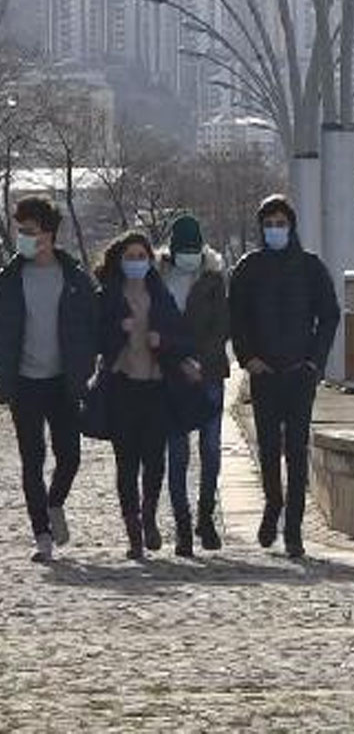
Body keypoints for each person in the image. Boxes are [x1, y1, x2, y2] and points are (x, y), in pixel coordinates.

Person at [230, 195, 340, 559]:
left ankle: (293, 528)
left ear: (291, 226)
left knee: (296, 450)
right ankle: (272, 503)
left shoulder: (309, 267)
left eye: (281, 223)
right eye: (269, 224)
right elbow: (238, 317)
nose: (275, 229)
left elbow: (329, 315)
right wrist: (248, 358)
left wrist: (315, 362)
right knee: (269, 448)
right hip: (265, 373)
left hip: (299, 372)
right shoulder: (249, 267)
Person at [0, 196, 97, 563]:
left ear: (50, 235)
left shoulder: (73, 277)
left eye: (30, 232)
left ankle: (54, 503)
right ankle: (41, 534)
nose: (23, 238)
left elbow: (92, 323)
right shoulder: (9, 280)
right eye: (19, 231)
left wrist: (88, 366)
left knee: (69, 456)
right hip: (24, 381)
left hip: (63, 380)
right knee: (31, 459)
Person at [97, 231, 202, 560]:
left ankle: (150, 515)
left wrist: (164, 341)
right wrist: (118, 330)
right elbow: (93, 335)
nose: (136, 263)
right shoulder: (107, 296)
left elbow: (180, 335)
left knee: (154, 462)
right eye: (130, 257)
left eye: (142, 257)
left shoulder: (160, 293)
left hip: (156, 386)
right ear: (119, 260)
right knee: (126, 463)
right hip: (122, 386)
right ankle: (133, 533)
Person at [158, 215, 230, 552]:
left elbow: (220, 327)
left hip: (210, 372)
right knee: (177, 452)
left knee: (211, 449)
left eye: (192, 249)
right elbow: (158, 326)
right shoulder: (160, 278)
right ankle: (182, 525)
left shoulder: (213, 278)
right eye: (182, 250)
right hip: (173, 377)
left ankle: (206, 517)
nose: (188, 256)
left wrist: (200, 362)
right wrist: (179, 361)